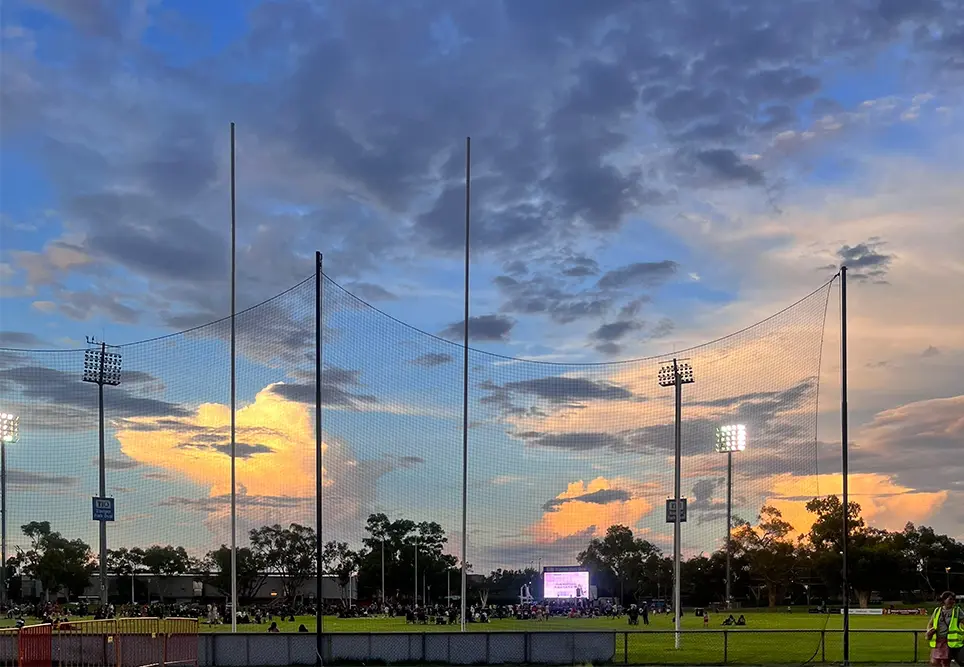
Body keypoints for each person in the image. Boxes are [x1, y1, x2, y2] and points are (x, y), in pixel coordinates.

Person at [927, 591, 963, 667]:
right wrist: (929, 632)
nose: (952, 601)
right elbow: (930, 623)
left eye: (953, 599)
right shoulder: (937, 610)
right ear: (944, 600)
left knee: (945, 662)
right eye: (950, 599)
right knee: (934, 662)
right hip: (938, 641)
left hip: (949, 642)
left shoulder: (957, 611)